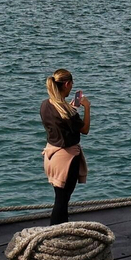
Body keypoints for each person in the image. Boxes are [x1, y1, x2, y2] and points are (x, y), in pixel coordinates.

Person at [39, 69, 90, 225]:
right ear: (67, 84)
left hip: (51, 156)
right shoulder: (68, 112)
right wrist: (87, 108)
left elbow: (61, 117)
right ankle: (54, 233)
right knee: (62, 201)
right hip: (67, 160)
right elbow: (85, 129)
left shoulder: (45, 105)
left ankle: (59, 231)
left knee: (60, 199)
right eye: (71, 84)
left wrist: (71, 107)